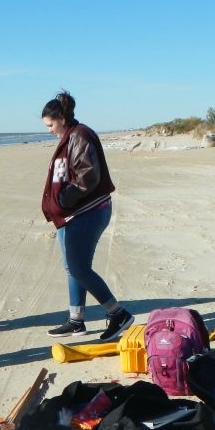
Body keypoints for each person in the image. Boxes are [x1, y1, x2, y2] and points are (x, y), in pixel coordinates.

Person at [40, 91, 134, 341]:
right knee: (72, 268)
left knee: (79, 268)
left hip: (87, 212)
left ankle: (118, 314)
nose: (49, 130)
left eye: (50, 125)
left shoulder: (80, 135)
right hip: (70, 215)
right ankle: (76, 321)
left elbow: (88, 176)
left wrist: (63, 200)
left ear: (61, 118)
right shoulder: (69, 137)